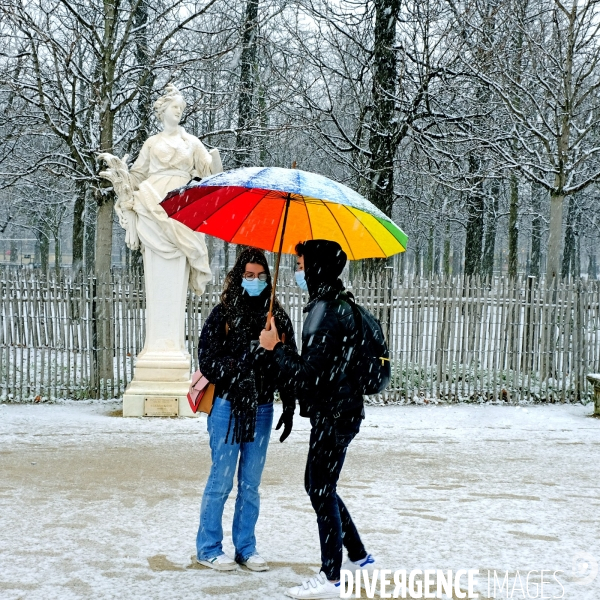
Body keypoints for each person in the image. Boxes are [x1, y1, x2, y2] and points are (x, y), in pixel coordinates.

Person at [259, 239, 376, 599]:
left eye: (300, 263)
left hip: (334, 414)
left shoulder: (327, 312)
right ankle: (359, 557)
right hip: (341, 410)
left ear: (316, 268)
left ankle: (331, 575)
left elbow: (309, 375)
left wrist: (275, 349)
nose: (297, 270)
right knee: (320, 484)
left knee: (319, 487)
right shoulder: (335, 305)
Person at [195, 247, 296, 572]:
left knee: (250, 484)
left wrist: (289, 401)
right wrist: (239, 369)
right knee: (221, 481)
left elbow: (288, 363)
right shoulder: (222, 314)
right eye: (249, 276)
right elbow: (207, 360)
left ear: (269, 278)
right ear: (239, 277)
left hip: (262, 408)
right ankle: (208, 548)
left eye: (260, 276)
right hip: (226, 406)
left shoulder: (276, 317)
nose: (254, 281)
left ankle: (246, 547)